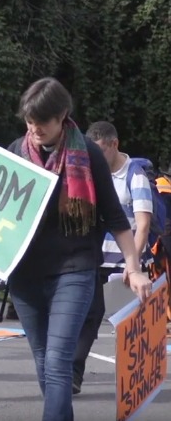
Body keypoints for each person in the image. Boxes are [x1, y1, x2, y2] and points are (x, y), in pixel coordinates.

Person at [6, 77, 152, 421]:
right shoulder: (15, 150)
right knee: (44, 362)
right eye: (29, 121)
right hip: (24, 277)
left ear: (63, 116)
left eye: (43, 122)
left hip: (74, 270)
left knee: (58, 361)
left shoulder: (87, 153)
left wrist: (134, 268)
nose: (35, 129)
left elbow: (117, 219)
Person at [71, 121, 155, 394]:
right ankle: (73, 374)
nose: (95, 159)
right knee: (89, 317)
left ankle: (136, 383)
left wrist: (134, 265)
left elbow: (142, 225)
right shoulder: (93, 173)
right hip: (97, 260)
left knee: (129, 326)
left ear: (114, 144)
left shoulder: (135, 174)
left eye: (100, 152)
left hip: (124, 265)